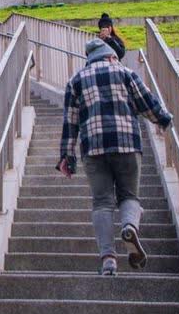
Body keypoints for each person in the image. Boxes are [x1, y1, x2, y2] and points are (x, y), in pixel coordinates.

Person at [59, 38, 173, 276]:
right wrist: (163, 120)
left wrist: (66, 157)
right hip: (127, 145)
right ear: (111, 56)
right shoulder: (125, 73)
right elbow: (147, 103)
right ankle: (130, 226)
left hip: (94, 149)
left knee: (102, 202)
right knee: (129, 195)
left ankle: (108, 259)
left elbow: (70, 123)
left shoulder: (75, 81)